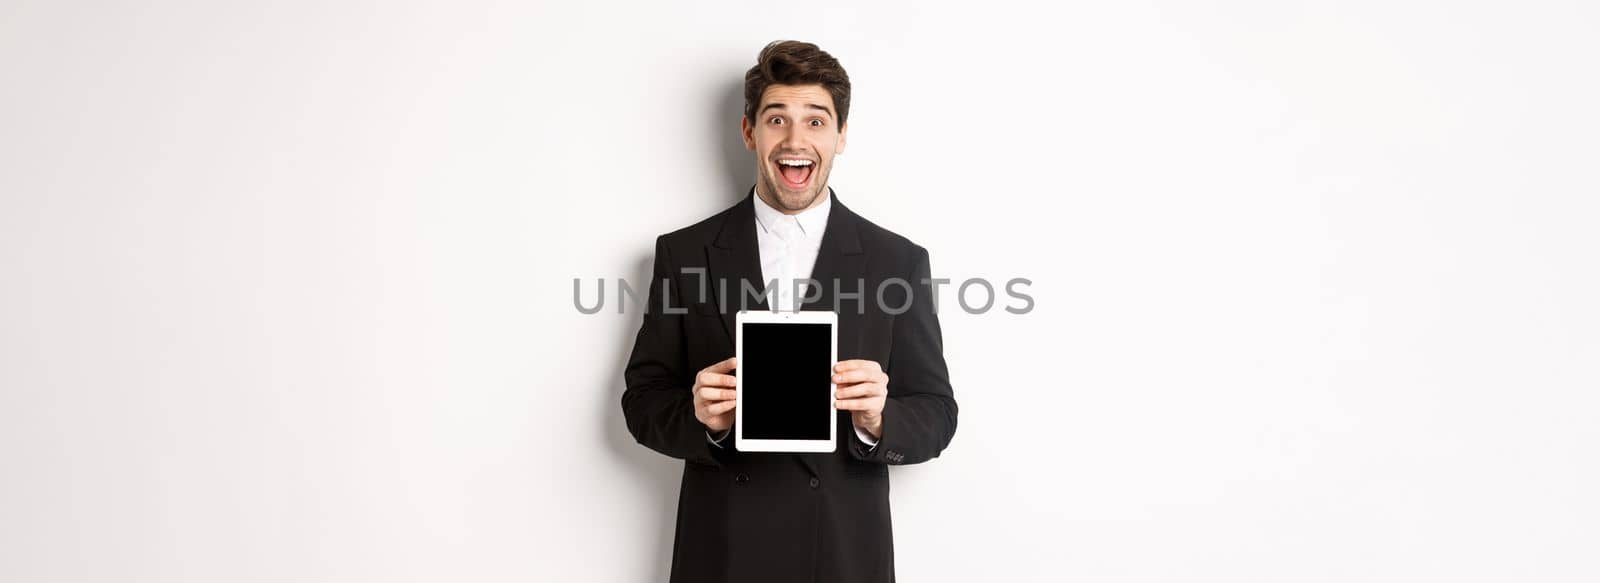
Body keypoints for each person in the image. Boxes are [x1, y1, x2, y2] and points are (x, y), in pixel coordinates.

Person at [621, 40, 958, 583]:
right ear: (750, 132)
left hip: (844, 557)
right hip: (722, 552)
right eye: (777, 119)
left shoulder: (897, 260)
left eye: (817, 121)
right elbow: (642, 402)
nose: (796, 140)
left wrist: (878, 418)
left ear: (842, 135)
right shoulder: (684, 255)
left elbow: (938, 414)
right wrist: (702, 419)